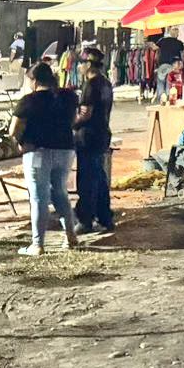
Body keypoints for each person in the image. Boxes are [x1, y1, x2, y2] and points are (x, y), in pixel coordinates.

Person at [9, 62, 81, 256]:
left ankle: (37, 244)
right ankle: (71, 237)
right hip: (65, 150)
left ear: (34, 81)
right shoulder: (68, 96)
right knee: (60, 192)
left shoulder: (28, 101)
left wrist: (19, 143)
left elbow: (13, 129)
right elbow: (74, 121)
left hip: (37, 153)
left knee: (39, 197)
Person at [73, 48, 114, 234]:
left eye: (81, 63)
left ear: (88, 64)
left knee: (87, 179)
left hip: (88, 137)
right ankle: (104, 217)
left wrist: (71, 124)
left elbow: (85, 113)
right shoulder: (106, 83)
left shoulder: (90, 85)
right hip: (102, 134)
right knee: (99, 178)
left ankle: (86, 219)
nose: (79, 67)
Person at [153, 31, 184, 99]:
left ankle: (161, 98)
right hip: (173, 65)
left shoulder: (162, 40)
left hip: (162, 64)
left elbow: (155, 48)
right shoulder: (179, 43)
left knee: (161, 81)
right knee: (169, 82)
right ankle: (168, 97)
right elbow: (183, 55)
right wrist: (181, 63)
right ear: (177, 35)